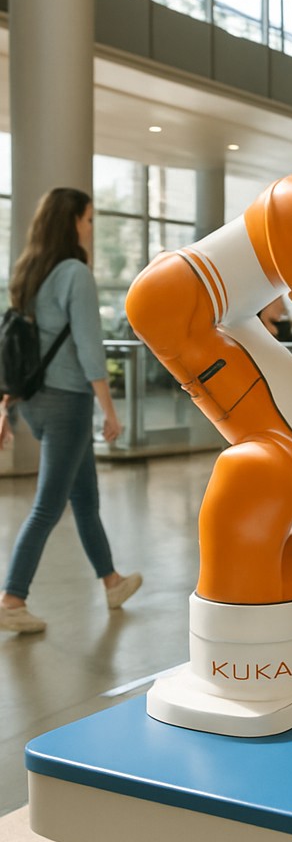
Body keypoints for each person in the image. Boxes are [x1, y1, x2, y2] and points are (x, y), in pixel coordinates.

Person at [1, 187, 142, 634]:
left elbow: (19, 345)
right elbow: (89, 348)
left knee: (84, 499)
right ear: (72, 223)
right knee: (49, 505)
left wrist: (7, 403)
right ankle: (12, 599)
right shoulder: (75, 274)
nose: (91, 228)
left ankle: (112, 582)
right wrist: (109, 410)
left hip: (35, 402)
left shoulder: (29, 272)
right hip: (67, 402)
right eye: (89, 219)